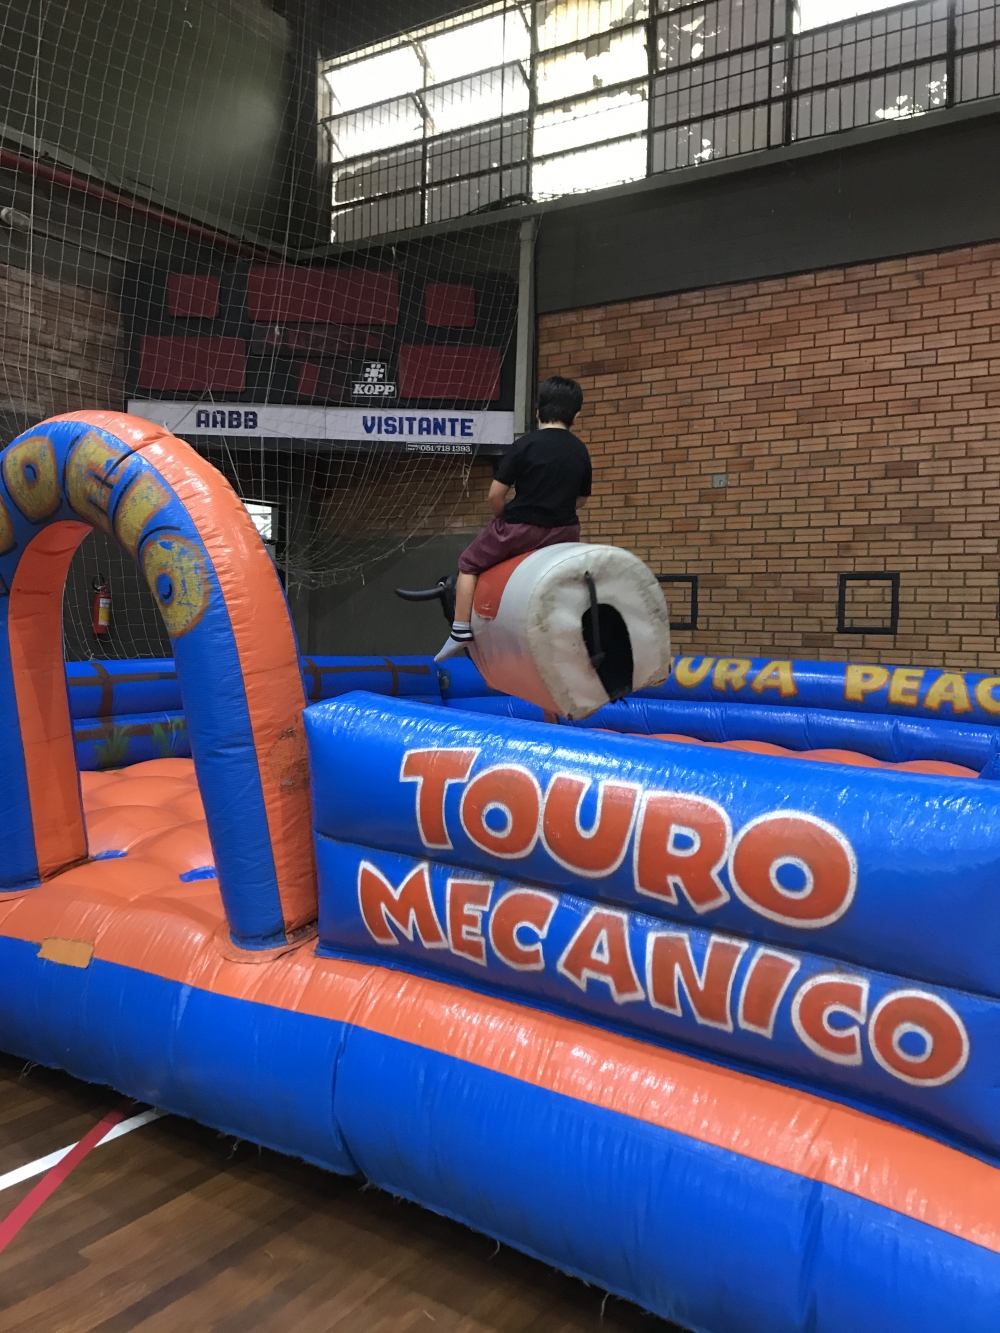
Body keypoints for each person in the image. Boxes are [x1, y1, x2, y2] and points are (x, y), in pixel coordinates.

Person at [436, 376, 592, 661]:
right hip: (564, 534)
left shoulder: (525, 445)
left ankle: (460, 630)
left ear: (537, 412)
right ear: (576, 416)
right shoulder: (580, 450)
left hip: (520, 528)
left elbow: (495, 495)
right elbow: (581, 499)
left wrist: (504, 520)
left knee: (468, 563)